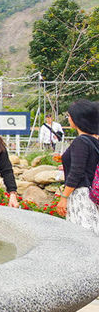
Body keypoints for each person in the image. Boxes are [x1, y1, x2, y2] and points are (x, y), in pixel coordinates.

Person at [55, 100, 99, 234]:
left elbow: (77, 172)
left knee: (82, 236)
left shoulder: (80, 141)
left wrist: (64, 197)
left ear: (77, 118)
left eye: (69, 116)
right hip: (92, 193)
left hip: (82, 195)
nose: (68, 119)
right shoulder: (94, 140)